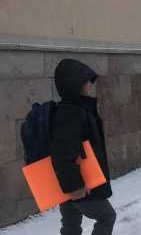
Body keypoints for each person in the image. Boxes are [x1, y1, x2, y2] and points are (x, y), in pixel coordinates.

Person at [50, 59, 116, 235]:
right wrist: (76, 187)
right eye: (86, 81)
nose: (89, 84)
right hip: (80, 183)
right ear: (75, 84)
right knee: (107, 217)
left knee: (71, 225)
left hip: (76, 181)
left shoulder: (78, 109)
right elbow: (64, 153)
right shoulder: (71, 113)